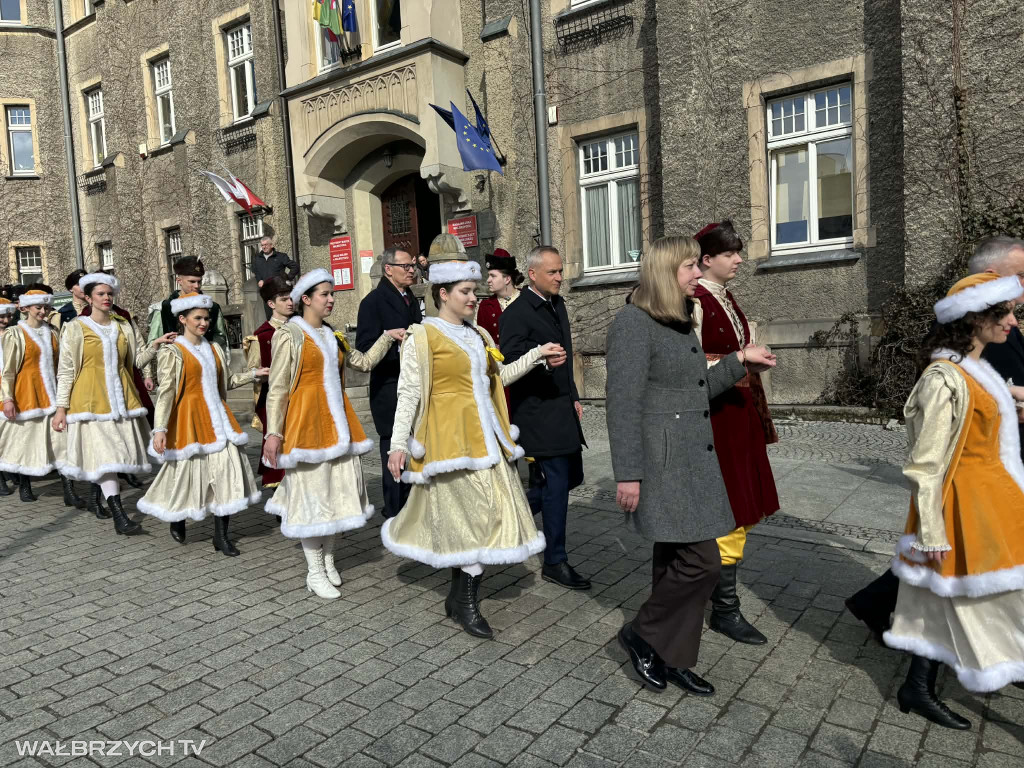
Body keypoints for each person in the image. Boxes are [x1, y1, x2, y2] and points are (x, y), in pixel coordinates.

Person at [606, 236, 777, 694]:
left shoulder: (678, 321)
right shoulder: (632, 324)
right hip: (663, 466)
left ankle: (672, 655)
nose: (697, 274)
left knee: (673, 562)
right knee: (702, 562)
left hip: (693, 460)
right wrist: (628, 474)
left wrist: (741, 361)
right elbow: (622, 405)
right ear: (666, 272)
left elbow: (695, 388)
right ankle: (640, 633)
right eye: (688, 268)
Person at [382, 237, 565, 638]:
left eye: (475, 291)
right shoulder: (423, 337)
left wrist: (536, 356)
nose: (474, 298)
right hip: (450, 445)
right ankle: (464, 600)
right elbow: (408, 393)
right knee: (470, 521)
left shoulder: (480, 335)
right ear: (442, 293)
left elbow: (497, 380)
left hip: (488, 442)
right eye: (466, 291)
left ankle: (459, 596)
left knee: (484, 518)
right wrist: (398, 444)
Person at [845, 236, 1024, 640]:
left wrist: (1008, 400)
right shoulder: (958, 347)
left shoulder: (994, 329)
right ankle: (930, 661)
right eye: (1020, 276)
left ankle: (890, 621)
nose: (1014, 315)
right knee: (955, 566)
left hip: (996, 469)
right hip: (967, 480)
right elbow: (929, 456)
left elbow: (991, 390)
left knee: (962, 568)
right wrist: (930, 529)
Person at [882, 272, 1024, 730]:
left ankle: (917, 686)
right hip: (964, 507)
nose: (1013, 322)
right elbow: (925, 465)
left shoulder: (978, 370)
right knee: (977, 600)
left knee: (943, 601)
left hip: (997, 503)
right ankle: (920, 686)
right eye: (1003, 314)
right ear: (974, 318)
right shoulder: (944, 378)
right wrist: (930, 530)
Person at [263, 269, 405, 598]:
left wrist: (387, 336)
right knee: (313, 500)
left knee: (336, 498)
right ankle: (314, 570)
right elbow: (278, 388)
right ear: (306, 300)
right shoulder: (291, 335)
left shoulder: (332, 334)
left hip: (338, 426)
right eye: (324, 294)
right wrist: (273, 432)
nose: (331, 300)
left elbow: (364, 362)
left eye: (332, 293)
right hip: (305, 428)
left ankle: (328, 561)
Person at [692, 221, 780, 645]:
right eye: (731, 253)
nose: (740, 259)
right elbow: (688, 369)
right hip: (717, 416)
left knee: (739, 504)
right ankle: (724, 608)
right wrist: (737, 360)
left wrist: (750, 361)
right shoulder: (694, 301)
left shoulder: (725, 297)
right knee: (729, 505)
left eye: (739, 252)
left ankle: (717, 597)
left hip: (738, 409)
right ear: (707, 259)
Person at [137, 293, 267, 554]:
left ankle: (221, 535)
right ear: (182, 319)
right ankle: (178, 515)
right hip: (189, 421)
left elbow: (226, 382)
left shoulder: (215, 348)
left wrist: (253, 374)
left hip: (220, 419)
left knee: (226, 474)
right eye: (198, 318)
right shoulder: (172, 351)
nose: (204, 323)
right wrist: (160, 429)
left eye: (207, 318)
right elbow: (166, 393)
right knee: (187, 475)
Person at [53, 273, 175, 534]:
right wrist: (61, 408)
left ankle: (102, 500)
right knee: (107, 457)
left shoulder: (123, 325)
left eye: (109, 294)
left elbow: (135, 362)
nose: (107, 298)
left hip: (122, 400)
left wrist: (155, 345)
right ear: (88, 297)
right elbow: (65, 370)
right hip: (90, 402)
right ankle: (120, 515)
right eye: (100, 294)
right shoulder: (75, 327)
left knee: (115, 457)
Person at [500, 246, 589, 590]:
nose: (559, 277)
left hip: (562, 408)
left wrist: (575, 397)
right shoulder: (517, 312)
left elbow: (565, 358)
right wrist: (539, 360)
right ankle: (555, 560)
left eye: (561, 270)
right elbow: (509, 365)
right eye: (552, 272)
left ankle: (512, 518)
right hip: (537, 412)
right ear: (533, 274)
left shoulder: (559, 304)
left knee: (572, 477)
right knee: (555, 484)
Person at [0, 289, 83, 507]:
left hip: (54, 395)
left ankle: (69, 490)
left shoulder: (54, 332)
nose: (43, 312)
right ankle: (25, 484)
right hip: (27, 395)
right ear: (25, 308)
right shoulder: (14, 334)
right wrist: (7, 398)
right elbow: (8, 371)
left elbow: (62, 365)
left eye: (46, 307)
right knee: (26, 442)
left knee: (62, 443)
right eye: (39, 308)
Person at [356, 247, 422, 519]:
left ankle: (412, 505)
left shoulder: (411, 299)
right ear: (388, 269)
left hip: (412, 384)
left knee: (413, 445)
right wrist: (392, 342)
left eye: (412, 266)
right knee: (393, 449)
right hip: (389, 386)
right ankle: (394, 510)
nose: (411, 270)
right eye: (405, 266)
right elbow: (364, 349)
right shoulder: (373, 302)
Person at [243, 276, 293, 489]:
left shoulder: (301, 327)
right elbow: (253, 370)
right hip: (275, 398)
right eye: (284, 299)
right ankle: (279, 493)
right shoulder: (262, 336)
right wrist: (263, 373)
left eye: (291, 298)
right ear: (271, 304)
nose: (290, 302)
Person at [149, 256, 228, 361]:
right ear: (179, 281)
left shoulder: (212, 307)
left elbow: (221, 337)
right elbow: (152, 343)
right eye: (192, 282)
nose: (197, 286)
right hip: (175, 365)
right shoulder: (164, 308)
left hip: (206, 363)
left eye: (199, 282)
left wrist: (208, 345)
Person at [252, 236, 299, 318]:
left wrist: (286, 279)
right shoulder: (257, 259)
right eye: (262, 245)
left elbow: (295, 267)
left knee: (285, 314)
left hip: (280, 291)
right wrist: (259, 280)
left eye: (266, 245)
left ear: (272, 245)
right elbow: (256, 271)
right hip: (267, 292)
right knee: (270, 317)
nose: (264, 247)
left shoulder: (281, 257)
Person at [0, 298, 18, 496]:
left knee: (9, 431)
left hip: (9, 386)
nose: (5, 320)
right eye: (1, 316)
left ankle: (12, 469)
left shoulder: (13, 335)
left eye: (8, 316)